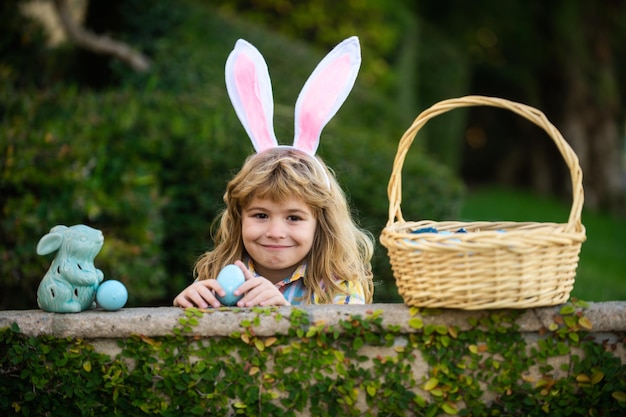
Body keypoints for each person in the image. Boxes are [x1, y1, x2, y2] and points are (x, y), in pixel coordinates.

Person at [173, 36, 374, 308]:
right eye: (260, 215)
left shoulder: (339, 288)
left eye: (293, 217)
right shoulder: (219, 278)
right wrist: (186, 311)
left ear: (321, 224)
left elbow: (347, 347)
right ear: (239, 217)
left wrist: (284, 318)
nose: (275, 231)